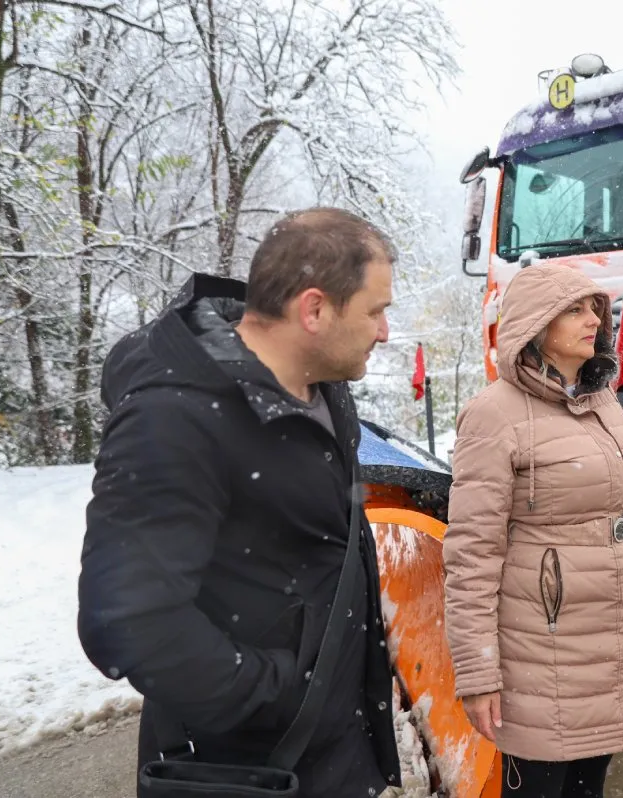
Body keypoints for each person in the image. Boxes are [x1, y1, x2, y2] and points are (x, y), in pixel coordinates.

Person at [78, 208, 402, 798]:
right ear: (313, 309)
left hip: (338, 753)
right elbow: (124, 622)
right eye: (376, 311)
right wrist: (276, 691)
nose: (384, 331)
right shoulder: (173, 418)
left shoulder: (325, 387)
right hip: (247, 769)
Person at [443, 262, 623, 798]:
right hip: (541, 652)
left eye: (594, 307)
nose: (591, 318)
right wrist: (478, 676)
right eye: (573, 308)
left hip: (609, 639)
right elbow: (471, 555)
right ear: (535, 325)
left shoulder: (601, 399)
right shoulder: (493, 416)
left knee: (588, 787)